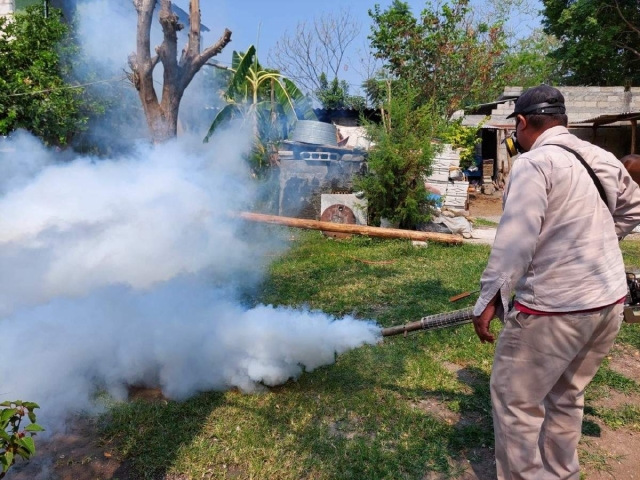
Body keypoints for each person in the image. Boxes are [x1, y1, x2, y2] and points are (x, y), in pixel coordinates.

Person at [472, 84, 640, 480]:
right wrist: (595, 239)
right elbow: (635, 208)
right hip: (608, 302)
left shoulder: (534, 164)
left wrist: (490, 299)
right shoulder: (601, 157)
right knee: (567, 396)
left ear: (522, 122)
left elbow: (515, 241)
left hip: (554, 309)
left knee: (516, 403)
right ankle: (561, 473)